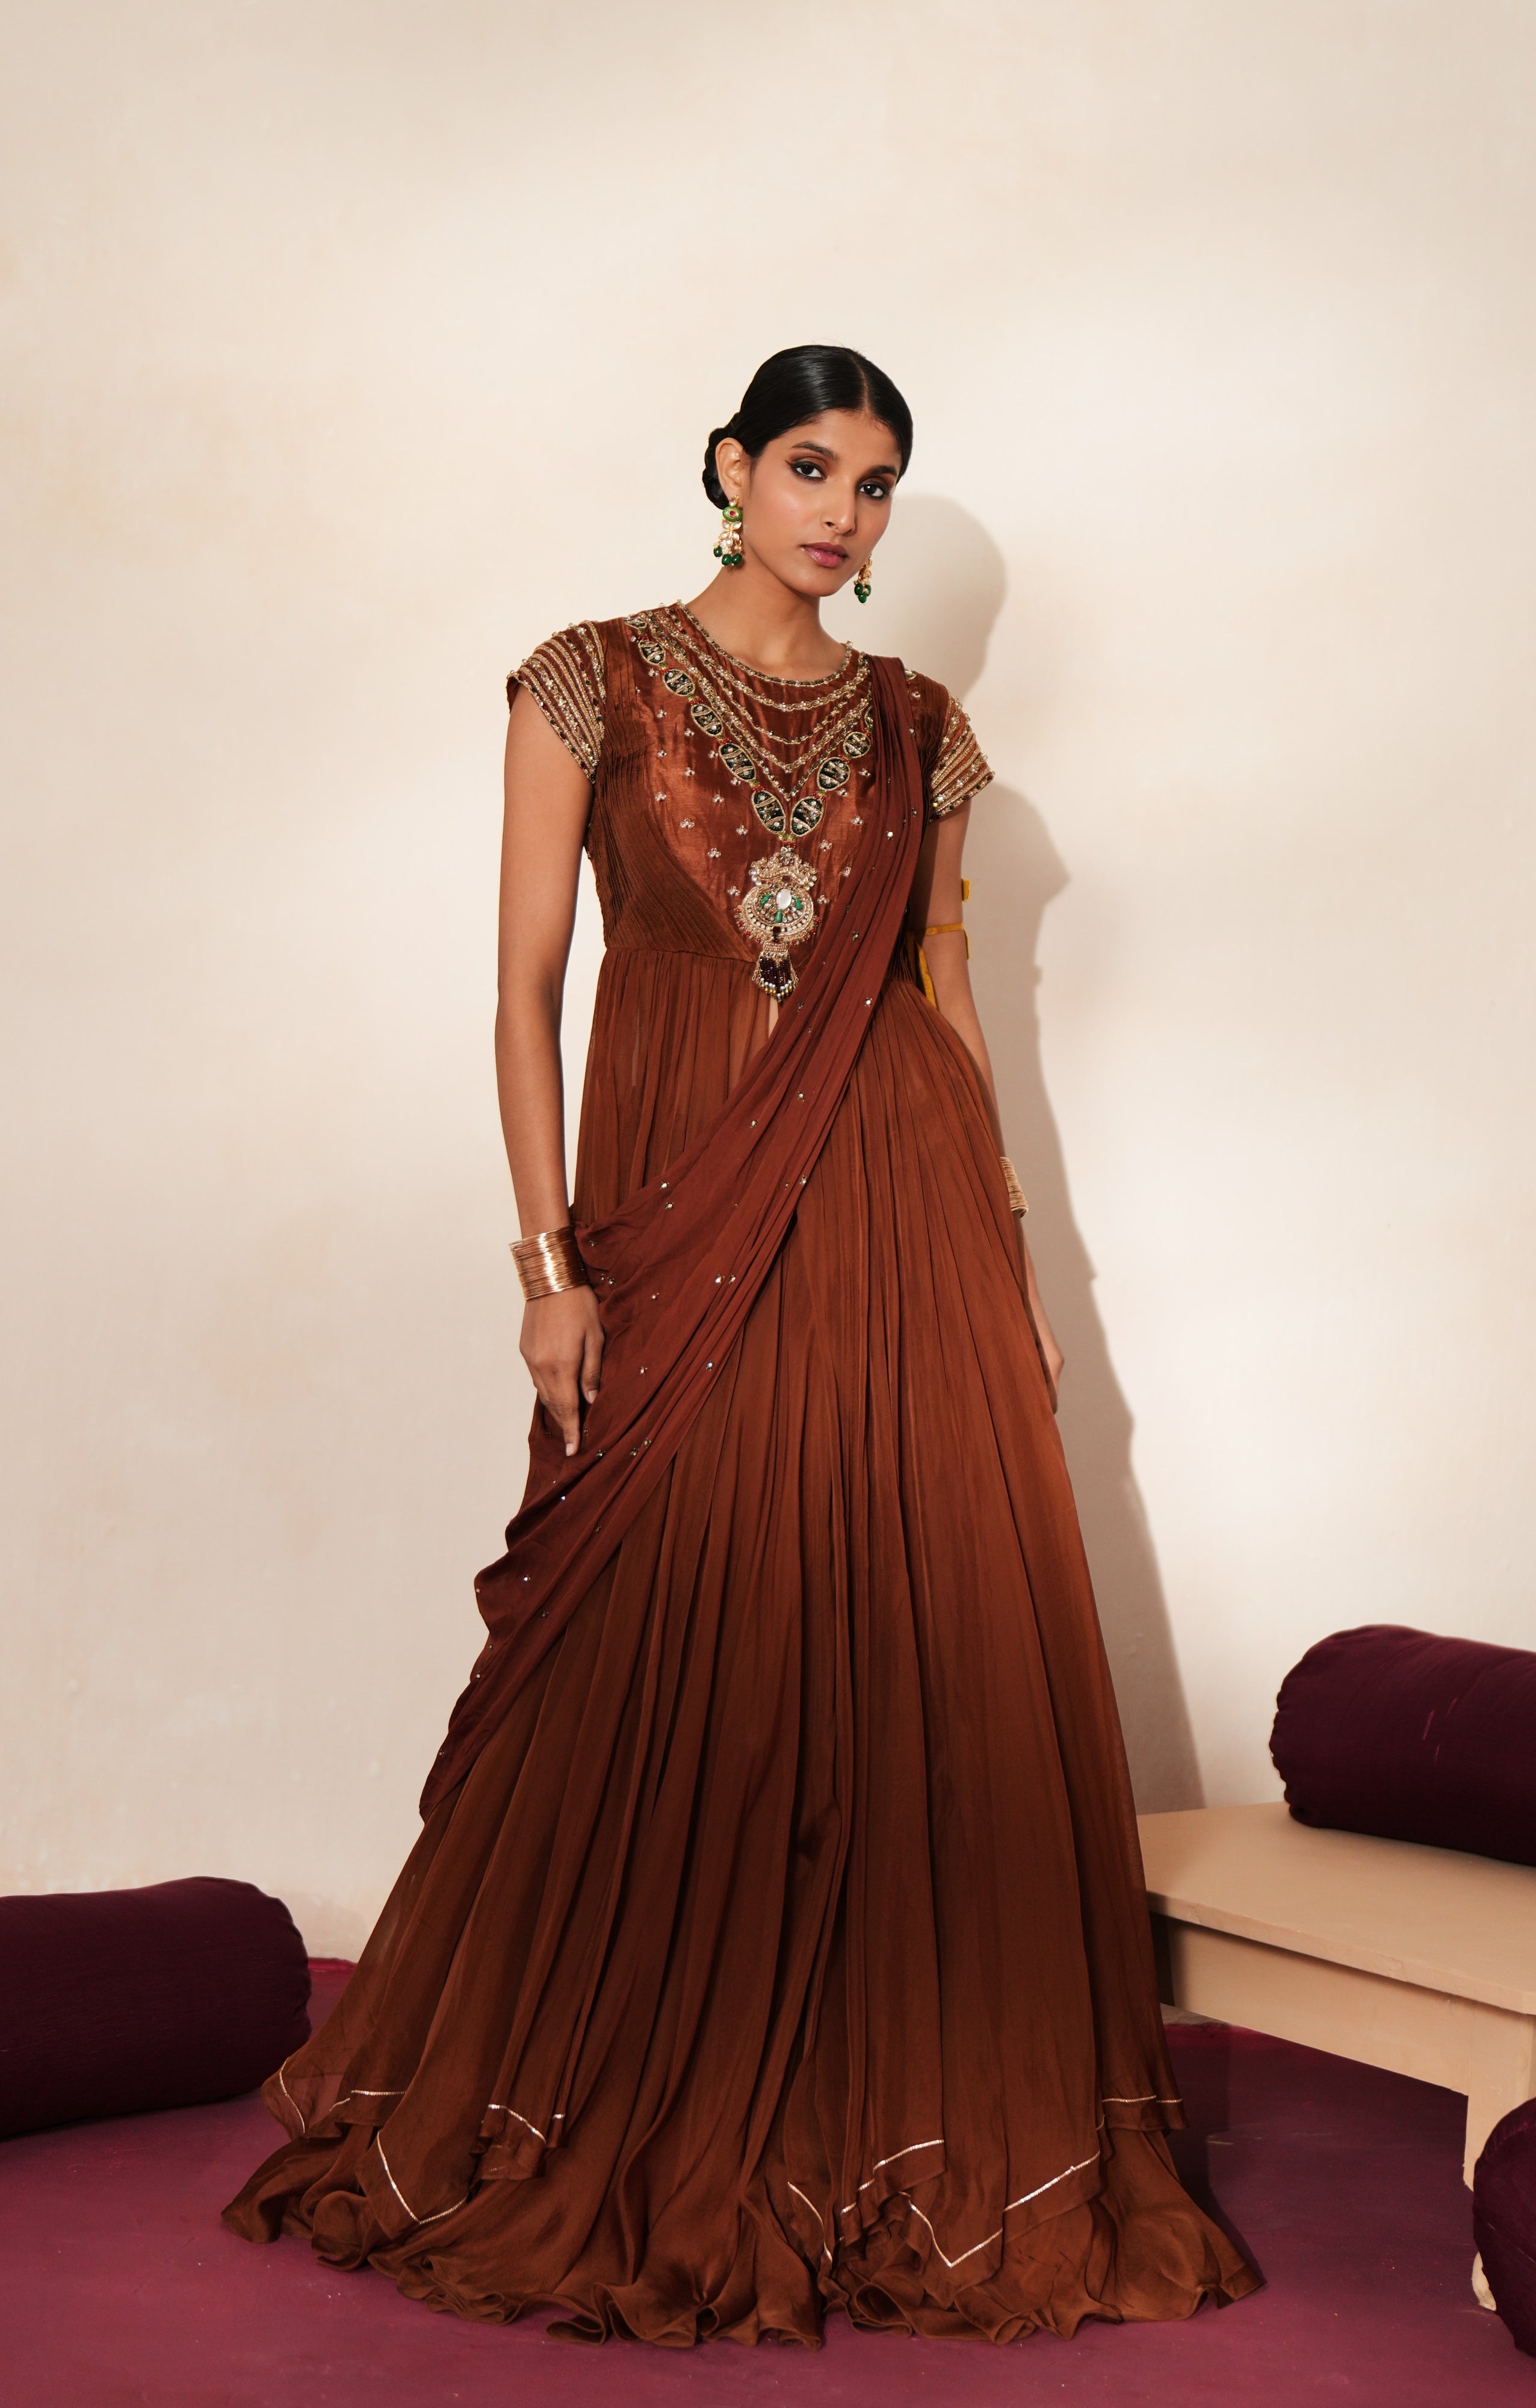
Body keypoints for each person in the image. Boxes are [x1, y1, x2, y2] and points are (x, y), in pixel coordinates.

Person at [223, 344, 1257, 2346]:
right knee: (672, 1605)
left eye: (874, 487)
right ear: (729, 465)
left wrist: (1015, 1268)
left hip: (899, 1205)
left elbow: (946, 996)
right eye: (809, 467)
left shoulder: (918, 725)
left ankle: (879, 2132)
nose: (840, 515)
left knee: (901, 1624)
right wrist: (548, 1264)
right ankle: (615, 2095)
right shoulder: (586, 682)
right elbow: (526, 989)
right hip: (677, 1204)